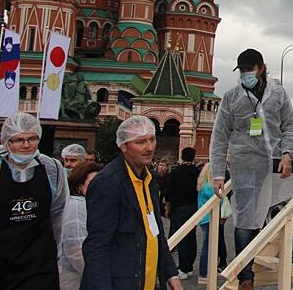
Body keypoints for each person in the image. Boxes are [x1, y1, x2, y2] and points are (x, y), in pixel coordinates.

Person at [211, 48, 293, 290]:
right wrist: (217, 173)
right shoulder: (232, 96)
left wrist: (288, 154)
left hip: (277, 155)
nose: (246, 74)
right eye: (242, 71)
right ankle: (246, 276)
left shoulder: (278, 93)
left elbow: (288, 127)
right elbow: (219, 136)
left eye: (249, 69)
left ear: (261, 68)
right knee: (245, 220)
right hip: (247, 163)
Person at [0, 112, 69, 289]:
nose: (26, 145)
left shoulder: (53, 170)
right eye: (18, 140)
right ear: (7, 142)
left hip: (39, 269)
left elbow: (58, 219)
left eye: (32, 138)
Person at [81, 115, 181, 290]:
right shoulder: (108, 182)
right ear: (124, 146)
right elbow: (97, 245)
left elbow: (156, 232)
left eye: (152, 139)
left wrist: (171, 273)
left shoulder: (149, 180)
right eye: (141, 142)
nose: (149, 147)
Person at [59, 161, 104, 289]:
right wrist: (100, 278)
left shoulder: (92, 206)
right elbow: (77, 250)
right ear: (79, 185)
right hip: (74, 280)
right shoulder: (77, 207)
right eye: (93, 183)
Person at [164, 147, 200, 279]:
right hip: (194, 208)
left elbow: (168, 193)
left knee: (182, 238)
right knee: (191, 237)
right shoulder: (198, 172)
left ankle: (183, 268)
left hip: (179, 208)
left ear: (182, 156)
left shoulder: (175, 172)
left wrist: (167, 208)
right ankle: (189, 266)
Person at [196, 163, 228, 286]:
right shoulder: (209, 187)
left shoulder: (203, 184)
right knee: (207, 246)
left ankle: (209, 270)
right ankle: (203, 273)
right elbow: (219, 197)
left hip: (206, 219)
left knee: (210, 245)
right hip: (209, 219)